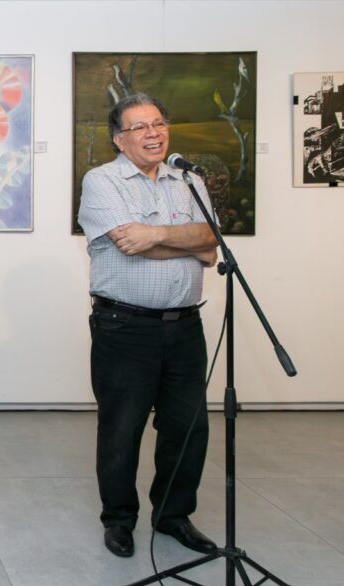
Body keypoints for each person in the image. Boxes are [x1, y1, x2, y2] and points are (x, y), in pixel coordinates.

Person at [78, 93, 220, 559]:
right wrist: (188, 243)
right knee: (122, 429)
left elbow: (211, 241)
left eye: (158, 123)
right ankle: (119, 520)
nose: (153, 133)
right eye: (139, 127)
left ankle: (173, 516)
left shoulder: (190, 180)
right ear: (119, 140)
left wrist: (155, 233)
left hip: (186, 326)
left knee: (187, 427)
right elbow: (127, 243)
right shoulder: (102, 181)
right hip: (125, 327)